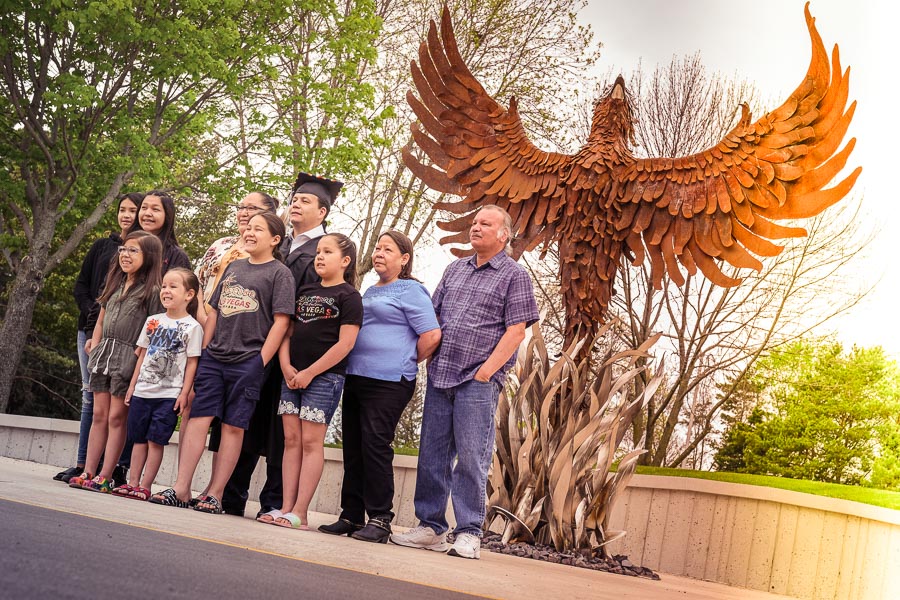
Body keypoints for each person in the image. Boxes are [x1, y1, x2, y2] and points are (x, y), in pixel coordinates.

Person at [390, 205, 539, 559]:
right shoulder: (454, 269)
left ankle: (469, 530)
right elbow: (433, 319)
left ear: (503, 234)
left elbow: (517, 330)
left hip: (477, 381)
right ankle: (430, 527)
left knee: (472, 458)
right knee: (432, 455)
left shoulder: (514, 276)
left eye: (485, 224)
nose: (475, 228)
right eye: (473, 223)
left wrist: (487, 372)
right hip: (441, 374)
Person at [150, 212, 293, 513]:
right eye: (248, 227)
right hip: (215, 357)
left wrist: (260, 362)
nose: (250, 232)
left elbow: (281, 323)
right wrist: (203, 353)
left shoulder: (280, 274)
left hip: (248, 361)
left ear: (275, 239)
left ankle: (214, 494)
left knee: (232, 426)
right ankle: (181, 488)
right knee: (197, 420)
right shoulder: (234, 268)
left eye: (258, 229)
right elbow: (212, 313)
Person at [222, 173, 343, 518]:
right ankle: (232, 496)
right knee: (246, 420)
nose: (296, 204)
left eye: (306, 201)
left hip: (292, 354)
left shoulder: (322, 251)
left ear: (323, 212)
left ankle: (273, 502)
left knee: (281, 432)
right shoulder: (280, 244)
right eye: (294, 199)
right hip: (257, 347)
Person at [318, 231, 441, 542]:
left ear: (404, 259)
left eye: (388, 249)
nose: (379, 253)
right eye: (377, 248)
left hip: (390, 381)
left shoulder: (412, 290)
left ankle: (381, 519)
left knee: (375, 445)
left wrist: (406, 359)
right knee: (354, 446)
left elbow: (431, 335)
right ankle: (351, 515)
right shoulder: (370, 290)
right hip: (357, 376)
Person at [258, 233, 363, 529]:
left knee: (310, 442)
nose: (319, 256)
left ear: (345, 261)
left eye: (327, 252)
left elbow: (345, 344)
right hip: (291, 376)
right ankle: (285, 507)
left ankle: (301, 513)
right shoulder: (304, 290)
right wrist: (287, 367)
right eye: (318, 251)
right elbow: (287, 334)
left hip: (324, 379)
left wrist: (310, 373)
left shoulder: (349, 296)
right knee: (290, 441)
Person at [55, 192, 144, 484]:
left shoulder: (147, 281)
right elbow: (82, 286)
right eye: (123, 210)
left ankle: (109, 470)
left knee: (115, 412)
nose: (126, 215)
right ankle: (84, 466)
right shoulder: (104, 247)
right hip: (94, 335)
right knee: (90, 400)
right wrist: (93, 314)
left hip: (125, 348)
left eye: (133, 210)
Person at [68, 231, 164, 493]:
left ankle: (107, 475)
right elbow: (100, 318)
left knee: (116, 418)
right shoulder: (115, 282)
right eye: (123, 249)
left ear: (149, 256)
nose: (125, 255)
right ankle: (88, 470)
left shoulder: (152, 291)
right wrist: (95, 342)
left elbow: (153, 332)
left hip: (127, 356)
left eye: (134, 251)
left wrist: (138, 361)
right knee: (98, 414)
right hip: (104, 354)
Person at [112, 268, 203, 501]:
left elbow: (192, 363)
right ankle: (132, 483)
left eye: (173, 286)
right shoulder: (152, 321)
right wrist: (132, 386)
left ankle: (145, 485)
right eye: (164, 286)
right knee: (138, 438)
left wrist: (184, 393)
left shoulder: (192, 328)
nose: (166, 290)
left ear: (189, 295)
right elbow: (142, 356)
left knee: (155, 440)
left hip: (168, 395)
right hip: (143, 391)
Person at [137, 190, 192, 273]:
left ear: (167, 215)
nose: (147, 213)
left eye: (155, 209)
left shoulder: (176, 256)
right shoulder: (127, 248)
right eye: (144, 208)